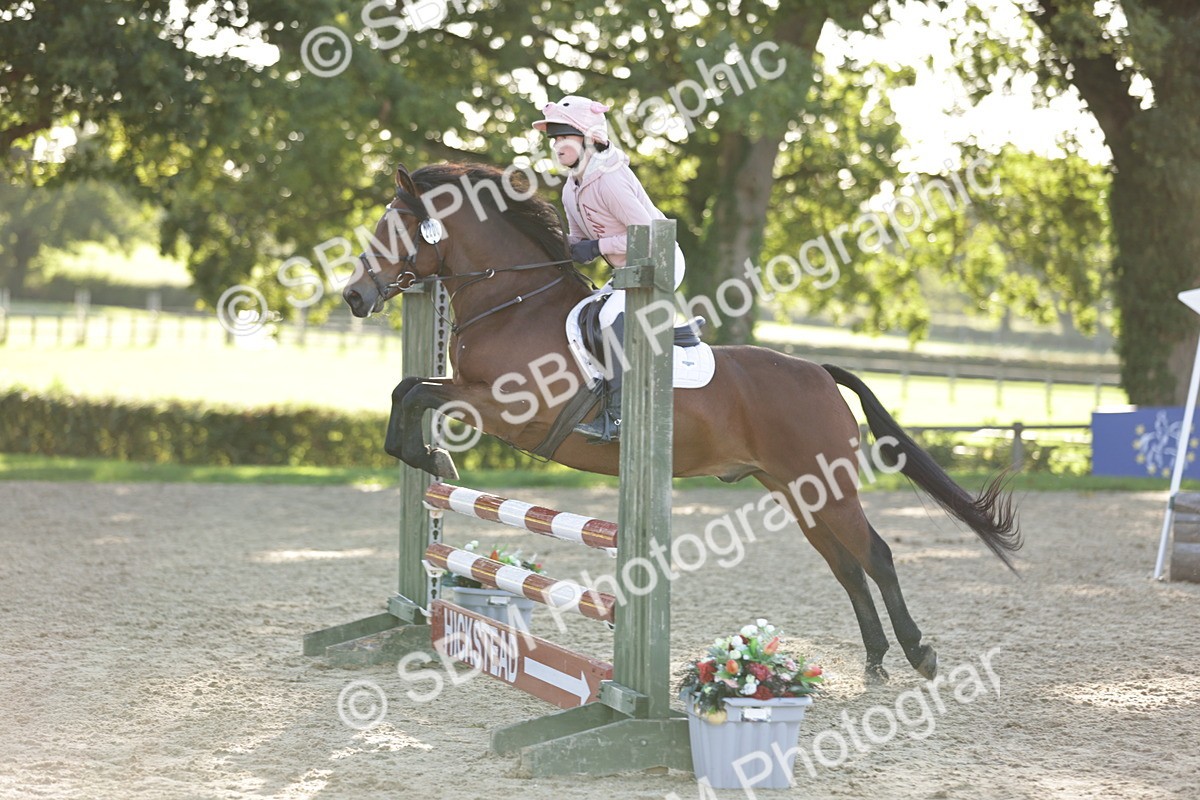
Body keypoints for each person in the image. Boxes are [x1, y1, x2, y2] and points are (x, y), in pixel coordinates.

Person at [533, 95, 686, 443]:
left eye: (564, 137)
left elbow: (647, 235)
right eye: (553, 139)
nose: (557, 145)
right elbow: (576, 239)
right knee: (581, 315)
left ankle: (620, 417)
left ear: (590, 139)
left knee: (605, 317)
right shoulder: (572, 188)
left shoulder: (610, 180)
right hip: (626, 272)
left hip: (658, 262)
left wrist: (597, 247)